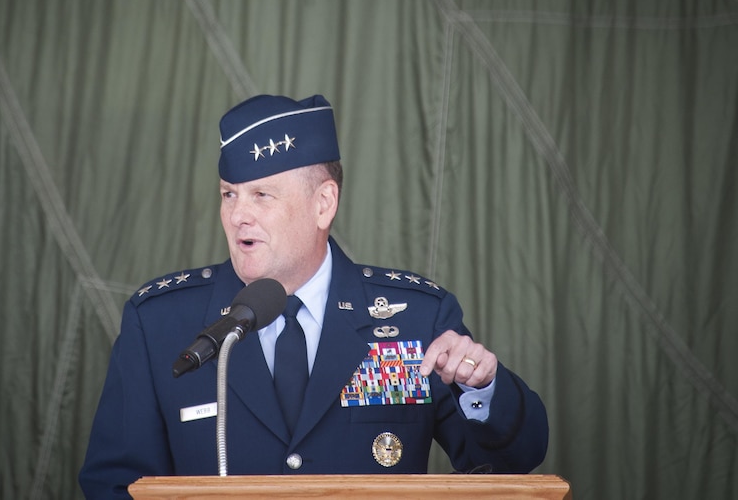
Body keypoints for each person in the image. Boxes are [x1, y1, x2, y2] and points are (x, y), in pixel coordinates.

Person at [79, 94, 548, 498]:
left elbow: (513, 462)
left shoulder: (417, 319)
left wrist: (480, 387)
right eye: (228, 195)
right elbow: (115, 487)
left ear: (323, 204)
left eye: (261, 195)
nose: (238, 215)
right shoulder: (160, 324)